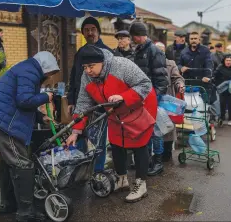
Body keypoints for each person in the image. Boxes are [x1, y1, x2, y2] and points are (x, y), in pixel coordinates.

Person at [66, 45, 157, 203]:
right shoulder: (87, 76)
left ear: (101, 62)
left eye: (91, 66)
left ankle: (141, 184)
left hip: (139, 106)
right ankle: (122, 180)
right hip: (114, 111)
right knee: (116, 143)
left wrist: (124, 97)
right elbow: (82, 103)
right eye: (84, 67)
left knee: (139, 144)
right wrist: (76, 131)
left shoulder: (121, 65)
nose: (87, 71)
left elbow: (145, 84)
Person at [0, 51, 60, 222]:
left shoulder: (26, 69)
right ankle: (25, 213)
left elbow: (21, 101)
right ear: (46, 67)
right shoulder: (30, 71)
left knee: (8, 163)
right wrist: (47, 96)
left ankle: (9, 205)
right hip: (4, 123)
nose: (50, 77)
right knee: (22, 163)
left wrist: (40, 117)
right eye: (51, 73)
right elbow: (24, 100)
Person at [67, 16, 113, 173]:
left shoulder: (106, 53)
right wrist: (71, 99)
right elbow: (74, 77)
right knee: (79, 135)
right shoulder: (80, 52)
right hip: (81, 101)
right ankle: (81, 168)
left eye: (93, 29)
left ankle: (97, 171)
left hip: (99, 104)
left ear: (98, 31)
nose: (90, 33)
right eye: (86, 30)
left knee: (97, 139)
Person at [129, 21, 168, 176]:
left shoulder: (153, 51)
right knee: (147, 129)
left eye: (134, 36)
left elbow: (161, 77)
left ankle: (158, 162)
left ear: (139, 35)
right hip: (142, 97)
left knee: (156, 130)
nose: (132, 39)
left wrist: (155, 97)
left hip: (152, 97)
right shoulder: (139, 50)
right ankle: (150, 159)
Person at [155, 42, 185, 162]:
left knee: (167, 126)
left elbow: (177, 77)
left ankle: (167, 154)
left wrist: (180, 85)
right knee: (155, 128)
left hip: (167, 100)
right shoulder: (149, 63)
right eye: (157, 50)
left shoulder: (170, 63)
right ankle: (156, 154)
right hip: (153, 99)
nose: (160, 52)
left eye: (162, 50)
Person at [213, 54, 231, 126]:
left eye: (230, 60)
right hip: (222, 87)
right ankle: (222, 118)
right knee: (222, 103)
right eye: (227, 60)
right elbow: (215, 75)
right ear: (224, 61)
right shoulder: (220, 67)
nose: (228, 62)